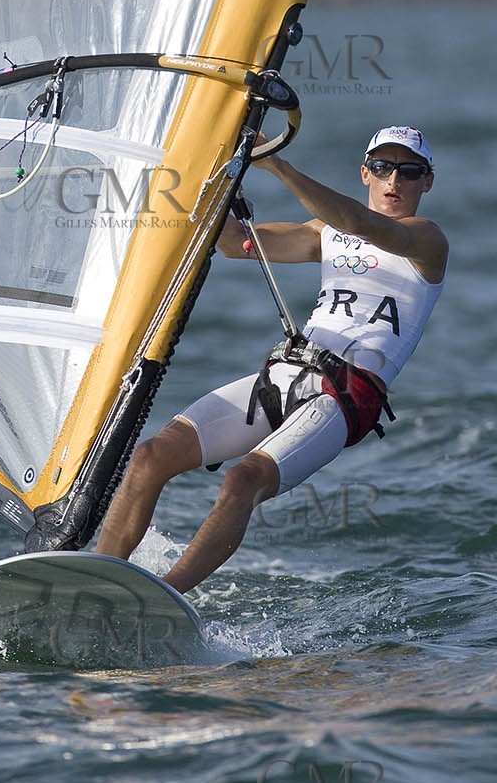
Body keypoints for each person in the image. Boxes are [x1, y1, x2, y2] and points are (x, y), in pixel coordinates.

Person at [94, 126, 448, 591]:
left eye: (409, 171)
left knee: (243, 481)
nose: (393, 181)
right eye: (382, 168)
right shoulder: (326, 234)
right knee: (150, 456)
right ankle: (97, 582)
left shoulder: (426, 241)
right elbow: (231, 244)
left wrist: (278, 165)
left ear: (427, 182)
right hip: (284, 374)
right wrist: (214, 173)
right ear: (365, 173)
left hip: (344, 398)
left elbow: (362, 225)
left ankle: (162, 597)